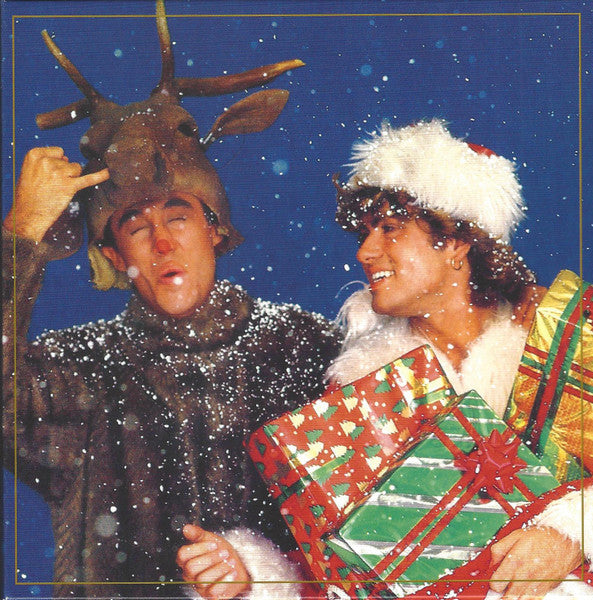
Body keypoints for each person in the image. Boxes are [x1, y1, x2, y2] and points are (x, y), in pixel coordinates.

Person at [2, 146, 341, 599]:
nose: (162, 243)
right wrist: (21, 235)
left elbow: (378, 530)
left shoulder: (310, 349)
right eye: (137, 227)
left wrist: (262, 576)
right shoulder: (77, 370)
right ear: (115, 256)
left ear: (215, 229)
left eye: (178, 218)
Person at [325, 119, 593, 599]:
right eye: (365, 233)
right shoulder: (357, 388)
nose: (366, 252)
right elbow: (340, 570)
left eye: (389, 229)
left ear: (456, 241)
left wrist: (574, 533)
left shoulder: (575, 337)